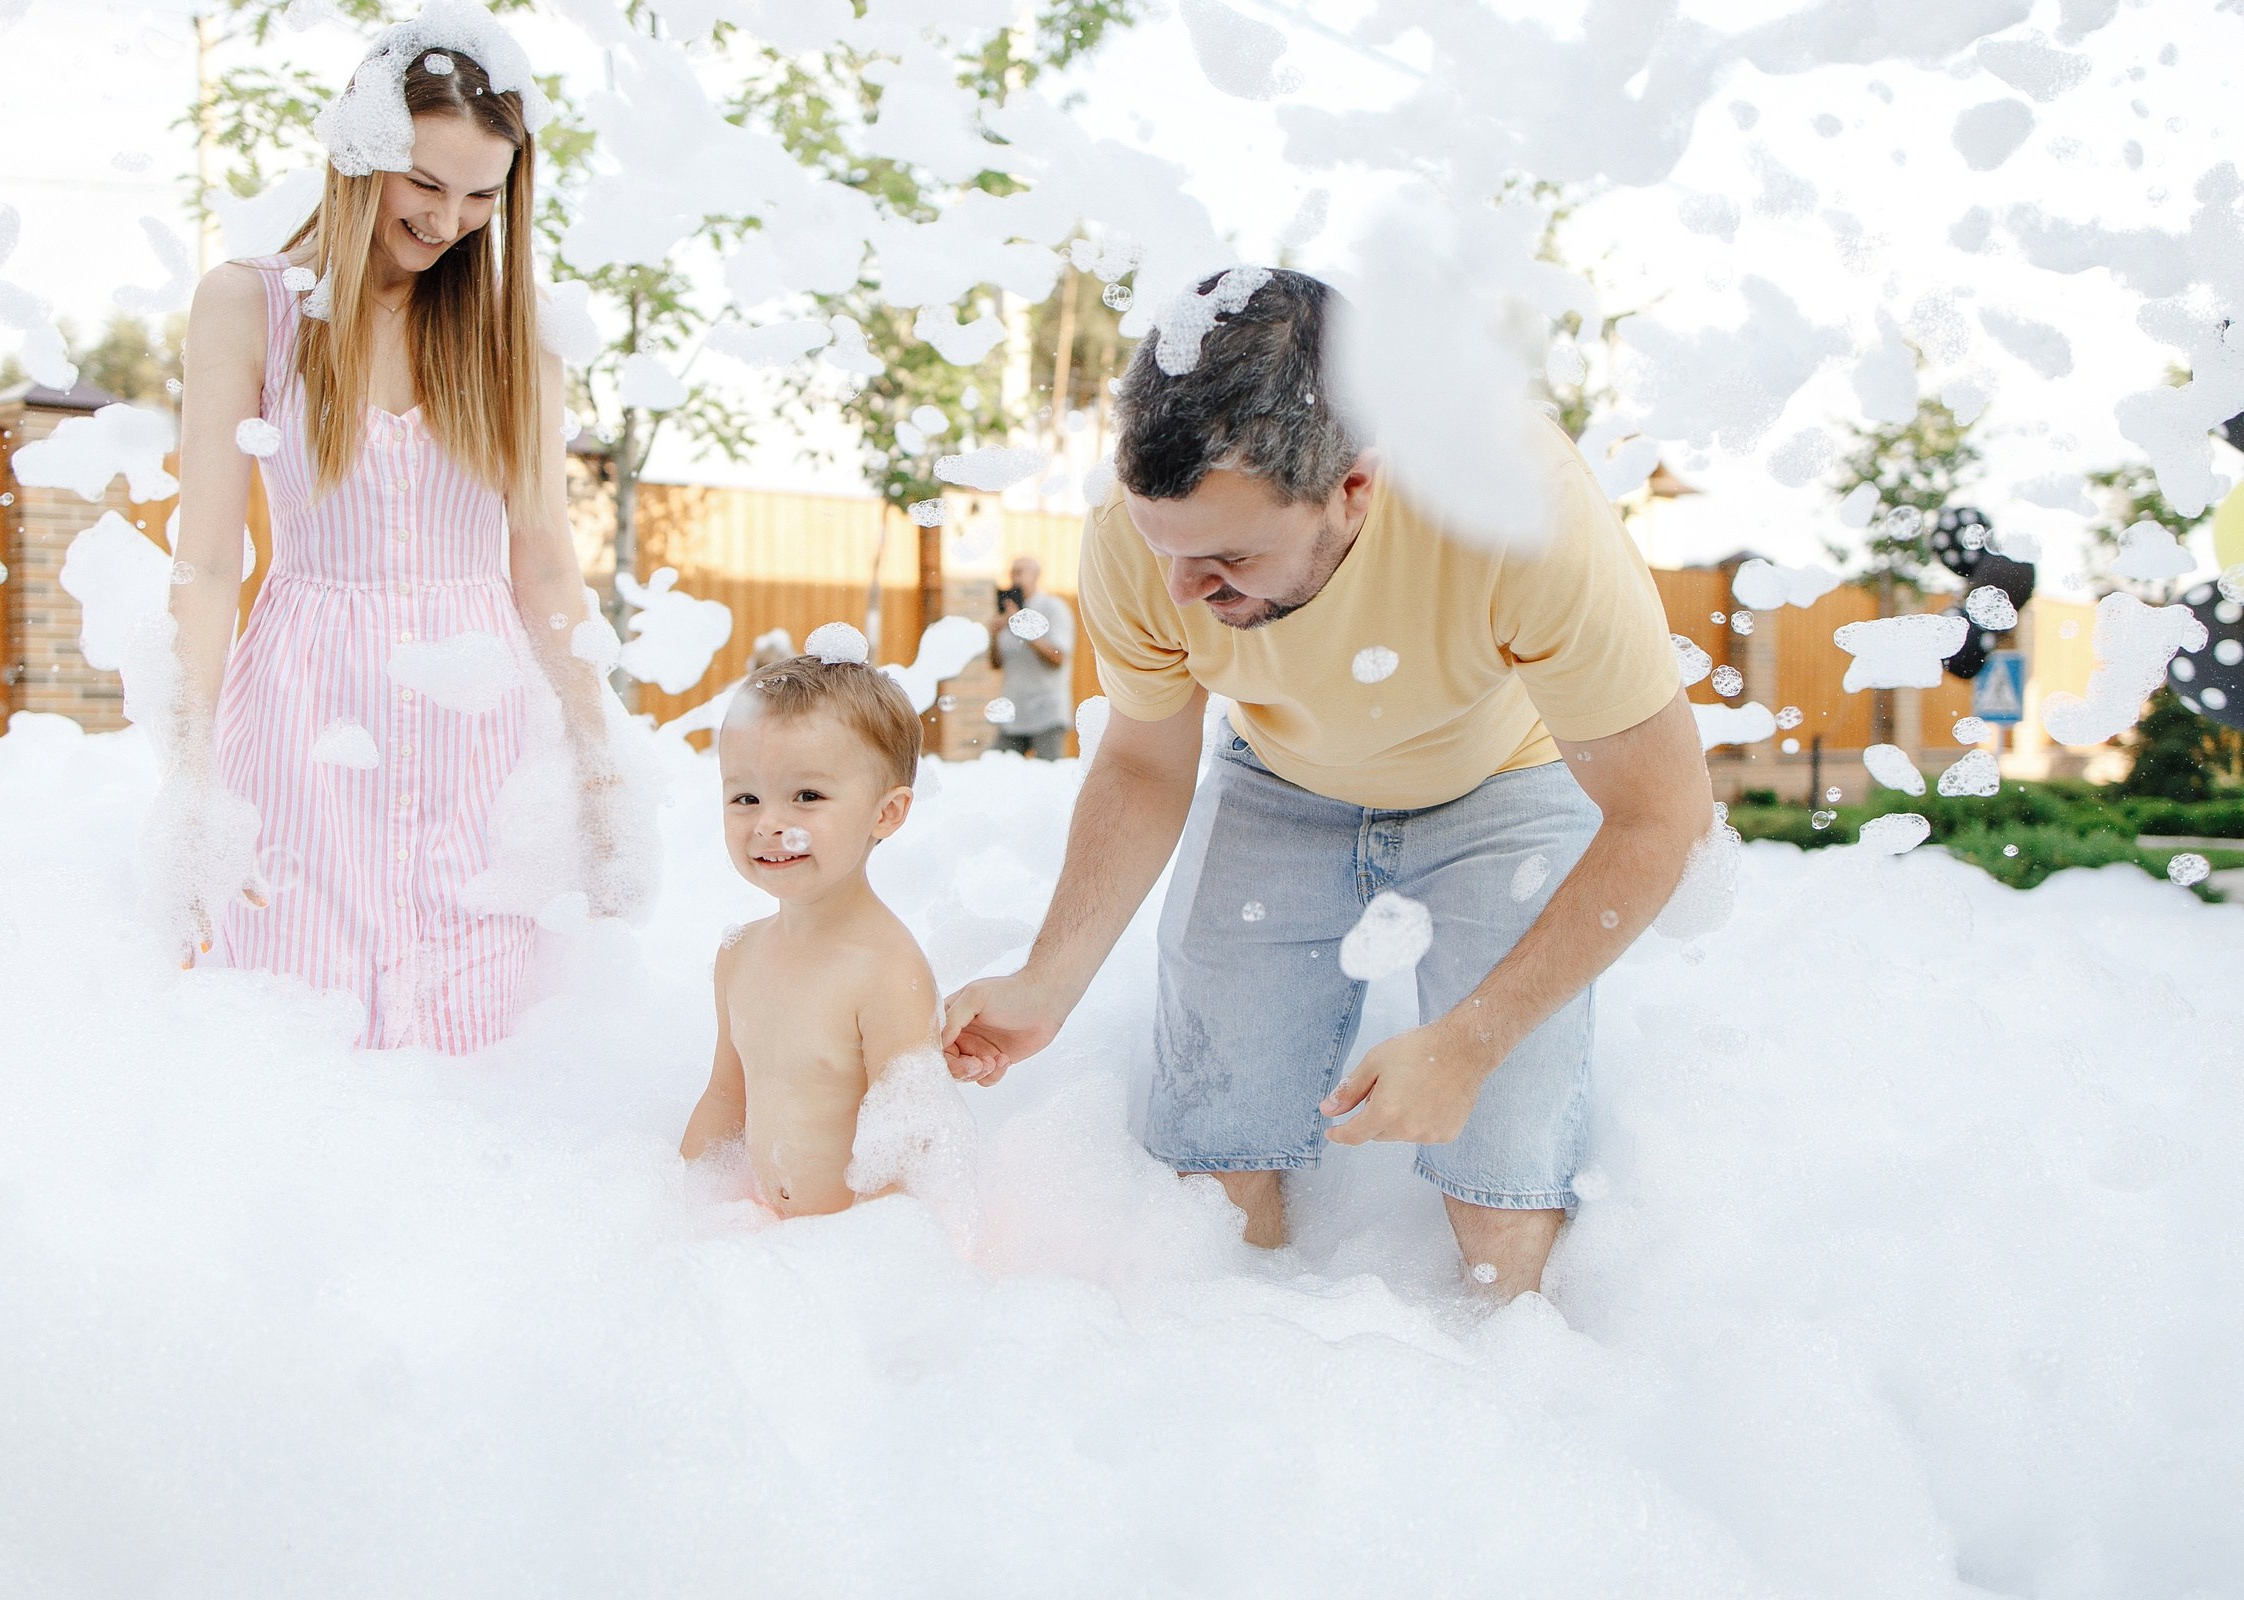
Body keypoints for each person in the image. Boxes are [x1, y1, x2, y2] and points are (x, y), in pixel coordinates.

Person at [941, 269, 1713, 1300]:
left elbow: (1664, 815)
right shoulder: (1146, 540)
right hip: (1282, 782)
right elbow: (1140, 761)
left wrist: (1471, 1041)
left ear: (1355, 487)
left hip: (1505, 778)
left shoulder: (1516, 507)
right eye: (1164, 546)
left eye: (1228, 556)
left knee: (1502, 1198)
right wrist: (1050, 977)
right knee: (1211, 1184)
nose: (1182, 590)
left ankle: (1493, 1401)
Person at [163, 7, 632, 1052]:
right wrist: (188, 782)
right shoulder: (252, 305)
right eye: (424, 183)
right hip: (306, 720)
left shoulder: (517, 333)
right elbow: (204, 564)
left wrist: (601, 771)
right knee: (298, 1027)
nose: (448, 220)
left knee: (478, 1038)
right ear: (361, 151)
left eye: (480, 195)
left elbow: (545, 559)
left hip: (480, 724)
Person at [679, 647, 946, 1216]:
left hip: (849, 1253)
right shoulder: (739, 952)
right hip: (768, 1240)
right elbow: (726, 1100)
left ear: (887, 813)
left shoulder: (885, 973)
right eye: (745, 797)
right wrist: (679, 1211)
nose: (769, 822)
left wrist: (879, 1260)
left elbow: (906, 1149)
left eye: (808, 796)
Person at [986, 555, 1075, 759]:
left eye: (1020, 572)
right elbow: (996, 664)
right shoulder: (1009, 610)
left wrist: (1020, 625)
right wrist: (994, 634)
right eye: (1012, 573)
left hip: (1047, 712)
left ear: (1036, 575)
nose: (1014, 578)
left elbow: (1057, 657)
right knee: (996, 770)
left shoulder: (1054, 608)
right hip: (1014, 712)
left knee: (1048, 778)